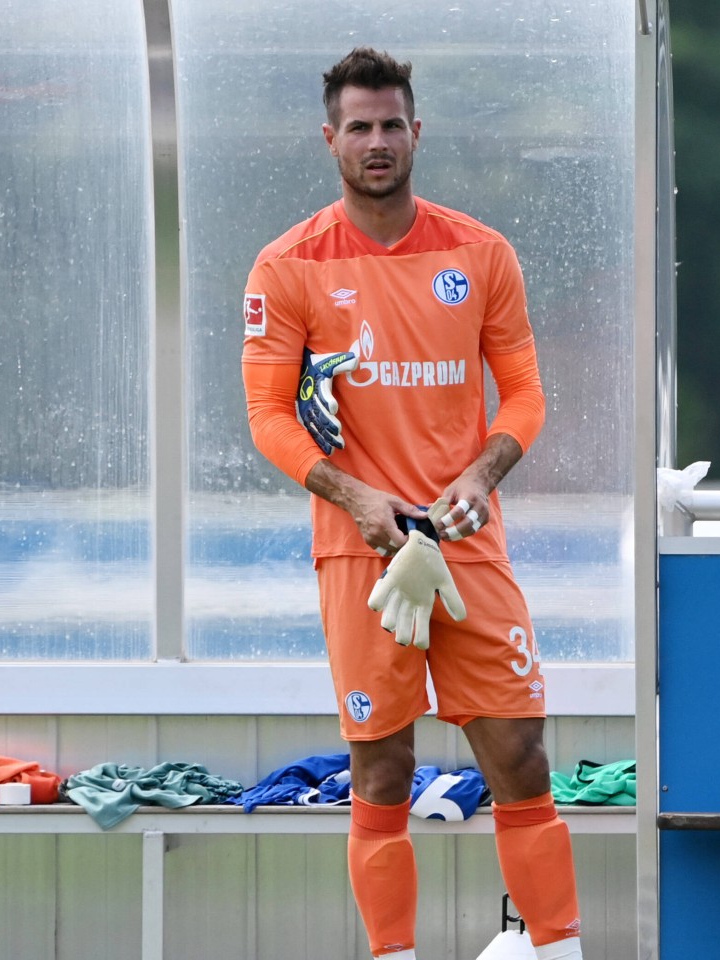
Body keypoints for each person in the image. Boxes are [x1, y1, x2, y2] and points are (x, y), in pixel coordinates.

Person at [241, 47, 583, 960]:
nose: (378, 141)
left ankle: (559, 949)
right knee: (381, 768)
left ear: (417, 131)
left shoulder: (481, 252)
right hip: (362, 550)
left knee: (519, 756)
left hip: (465, 540)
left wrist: (482, 474)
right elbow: (267, 417)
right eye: (359, 126)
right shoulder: (288, 266)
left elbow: (523, 395)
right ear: (330, 140)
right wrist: (353, 493)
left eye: (392, 124)